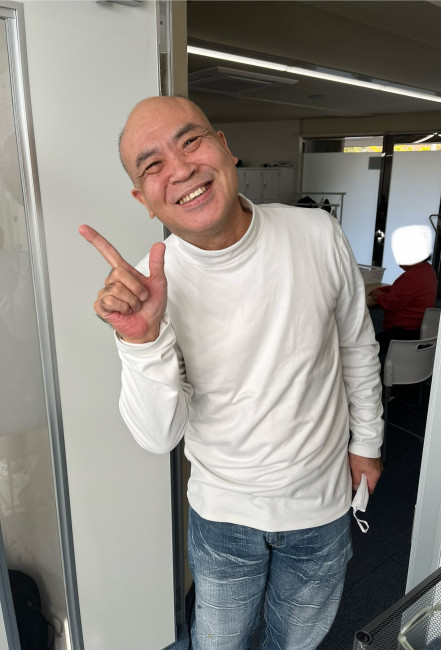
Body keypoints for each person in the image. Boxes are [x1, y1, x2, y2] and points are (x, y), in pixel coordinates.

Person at [79, 96, 383, 650]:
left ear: (224, 146)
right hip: (223, 515)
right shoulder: (152, 287)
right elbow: (158, 437)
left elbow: (356, 345)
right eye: (153, 165)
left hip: (322, 503)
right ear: (143, 199)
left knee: (297, 644)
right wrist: (142, 340)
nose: (180, 169)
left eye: (191, 141)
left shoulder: (317, 233)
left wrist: (367, 444)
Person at [369, 225, 438, 355]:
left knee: (367, 348)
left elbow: (392, 303)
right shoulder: (427, 270)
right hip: (418, 329)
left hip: (403, 332)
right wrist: (385, 289)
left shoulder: (412, 276)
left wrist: (378, 295)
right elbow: (403, 290)